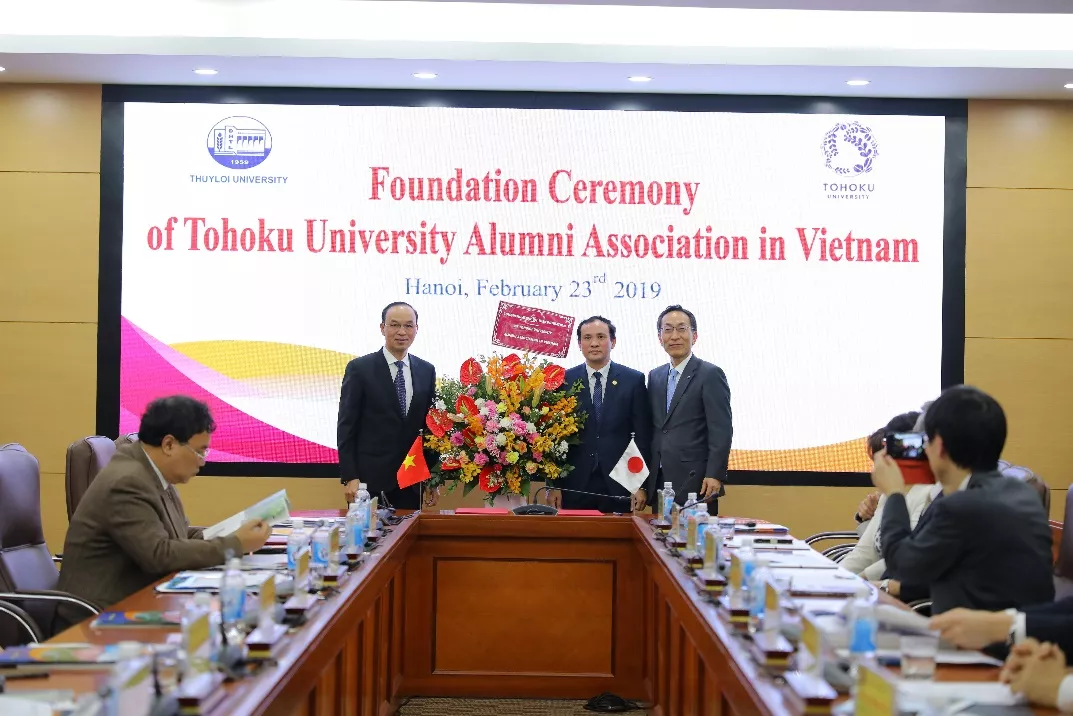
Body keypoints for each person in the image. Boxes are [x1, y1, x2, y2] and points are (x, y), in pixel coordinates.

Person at [57, 396, 270, 617]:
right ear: (169, 445)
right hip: (97, 617)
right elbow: (159, 555)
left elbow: (179, 535)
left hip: (137, 602)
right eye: (200, 451)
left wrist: (232, 532)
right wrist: (235, 544)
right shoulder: (127, 481)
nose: (203, 461)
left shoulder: (152, 472)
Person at [872, 385, 1053, 614]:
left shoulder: (960, 507)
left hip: (971, 634)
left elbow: (903, 565)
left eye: (925, 441)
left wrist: (894, 493)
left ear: (939, 446)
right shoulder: (1022, 492)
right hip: (1019, 629)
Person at [548, 316, 652, 513]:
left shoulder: (633, 380)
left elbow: (642, 436)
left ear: (613, 341)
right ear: (579, 344)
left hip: (620, 482)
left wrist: (639, 484)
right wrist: (553, 485)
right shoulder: (564, 381)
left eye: (601, 337)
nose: (594, 343)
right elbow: (553, 437)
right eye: (587, 338)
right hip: (573, 483)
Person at [337, 302, 436, 509]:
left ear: (416, 329)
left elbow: (429, 428)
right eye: (395, 325)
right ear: (382, 328)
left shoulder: (426, 370)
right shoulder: (360, 369)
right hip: (368, 483)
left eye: (408, 325)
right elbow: (346, 427)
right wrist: (350, 476)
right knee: (369, 532)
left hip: (411, 481)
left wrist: (432, 476)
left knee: (410, 531)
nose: (402, 332)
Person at [647, 305, 733, 511]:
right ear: (660, 337)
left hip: (696, 480)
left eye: (681, 329)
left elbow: (721, 430)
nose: (674, 336)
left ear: (694, 336)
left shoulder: (710, 374)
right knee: (658, 531)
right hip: (659, 479)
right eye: (668, 330)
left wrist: (714, 474)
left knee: (694, 532)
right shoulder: (655, 376)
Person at [841, 412, 931, 580]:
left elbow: (904, 555)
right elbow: (864, 552)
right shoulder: (890, 492)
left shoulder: (927, 493)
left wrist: (860, 579)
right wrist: (836, 576)